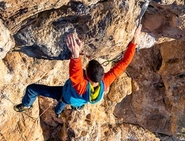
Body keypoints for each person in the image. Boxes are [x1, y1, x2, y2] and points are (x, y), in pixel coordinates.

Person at [14, 25, 142, 118]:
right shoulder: (104, 83)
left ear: (87, 74)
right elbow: (123, 64)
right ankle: (71, 109)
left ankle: (28, 105)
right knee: (68, 103)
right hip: (79, 99)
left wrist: (75, 53)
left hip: (66, 95)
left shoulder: (80, 85)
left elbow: (75, 70)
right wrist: (134, 42)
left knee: (32, 89)